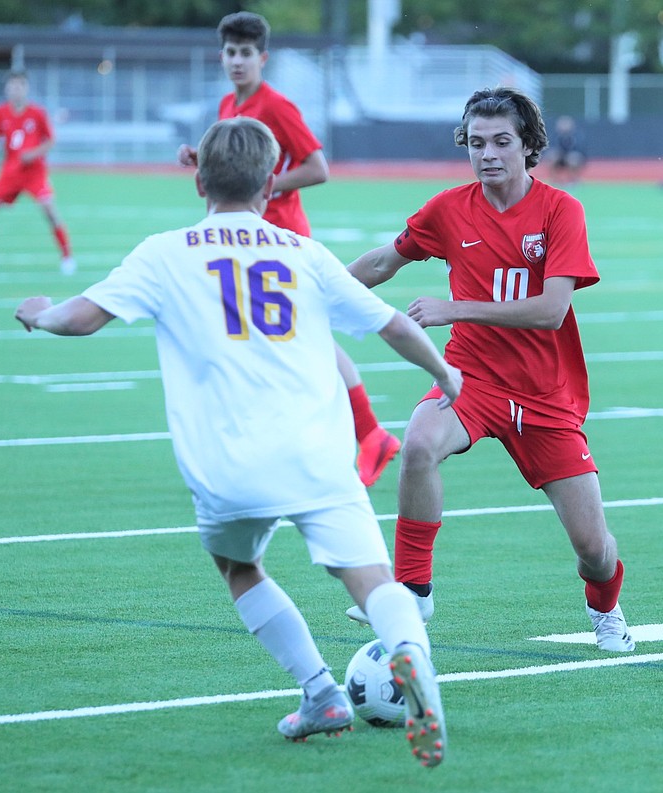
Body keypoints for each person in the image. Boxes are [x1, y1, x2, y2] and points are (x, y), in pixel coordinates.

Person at [14, 117, 456, 766]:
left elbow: (83, 317)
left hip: (229, 464)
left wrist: (40, 313)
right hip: (316, 452)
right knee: (370, 578)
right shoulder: (303, 252)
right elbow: (389, 323)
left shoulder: (165, 252)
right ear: (273, 182)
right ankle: (411, 659)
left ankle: (320, 693)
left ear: (196, 177)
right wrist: (444, 371)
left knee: (239, 565)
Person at [344, 87, 635, 654]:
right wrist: (308, 290)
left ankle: (606, 612)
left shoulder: (560, 210)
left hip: (547, 396)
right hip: (471, 378)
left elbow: (552, 311)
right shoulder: (449, 208)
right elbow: (382, 262)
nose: (488, 154)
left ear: (529, 147)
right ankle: (413, 591)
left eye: (502, 142)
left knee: (594, 550)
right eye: (476, 143)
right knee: (420, 445)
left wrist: (455, 307)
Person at [177, 11, 400, 487]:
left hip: (280, 239)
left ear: (263, 57)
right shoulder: (227, 104)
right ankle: (352, 434)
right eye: (230, 53)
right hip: (245, 241)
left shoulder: (275, 106)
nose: (237, 61)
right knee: (271, 338)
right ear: (222, 56)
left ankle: (368, 433)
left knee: (301, 337)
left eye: (246, 54)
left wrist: (265, 183)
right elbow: (237, 164)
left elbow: (318, 167)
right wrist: (203, 160)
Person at [0, 70, 75, 275]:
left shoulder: (37, 113)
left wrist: (33, 154)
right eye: (12, 86)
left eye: (20, 85)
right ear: (7, 89)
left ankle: (67, 257)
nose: (16, 90)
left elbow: (50, 140)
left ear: (26, 88)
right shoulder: (1, 112)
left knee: (49, 210)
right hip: (10, 172)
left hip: (34, 172)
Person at [545, 115, 586, 185]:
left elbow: (580, 150)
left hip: (571, 158)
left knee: (573, 158)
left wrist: (571, 155)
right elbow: (551, 148)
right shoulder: (555, 136)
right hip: (560, 157)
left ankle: (573, 180)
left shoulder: (577, 136)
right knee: (551, 157)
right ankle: (555, 180)